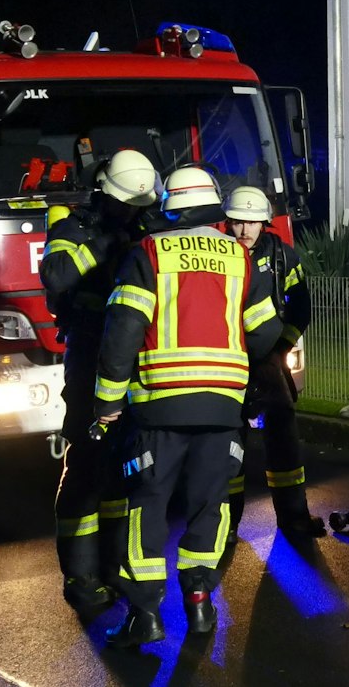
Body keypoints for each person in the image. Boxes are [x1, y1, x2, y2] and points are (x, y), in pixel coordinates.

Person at [93, 166, 282, 647]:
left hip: (160, 408)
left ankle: (145, 615)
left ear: (169, 206)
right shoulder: (240, 258)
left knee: (149, 506)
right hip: (222, 409)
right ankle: (200, 604)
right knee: (209, 505)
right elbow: (264, 333)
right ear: (214, 206)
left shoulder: (147, 254)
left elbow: (122, 334)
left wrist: (107, 405)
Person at [41, 149, 156, 619]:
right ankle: (80, 577)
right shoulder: (75, 228)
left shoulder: (140, 229)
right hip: (88, 361)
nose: (133, 212)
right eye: (126, 205)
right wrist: (105, 244)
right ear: (107, 196)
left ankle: (111, 568)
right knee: (85, 469)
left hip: (129, 363)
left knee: (119, 473)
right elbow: (55, 276)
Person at [222, 185, 326, 541]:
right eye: (238, 222)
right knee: (227, 444)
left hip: (267, 362)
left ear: (265, 223)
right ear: (227, 222)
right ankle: (226, 525)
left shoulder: (282, 257)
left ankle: (294, 518)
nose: (245, 230)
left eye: (252, 222)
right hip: (225, 362)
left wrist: (281, 348)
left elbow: (301, 308)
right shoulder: (217, 257)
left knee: (283, 439)